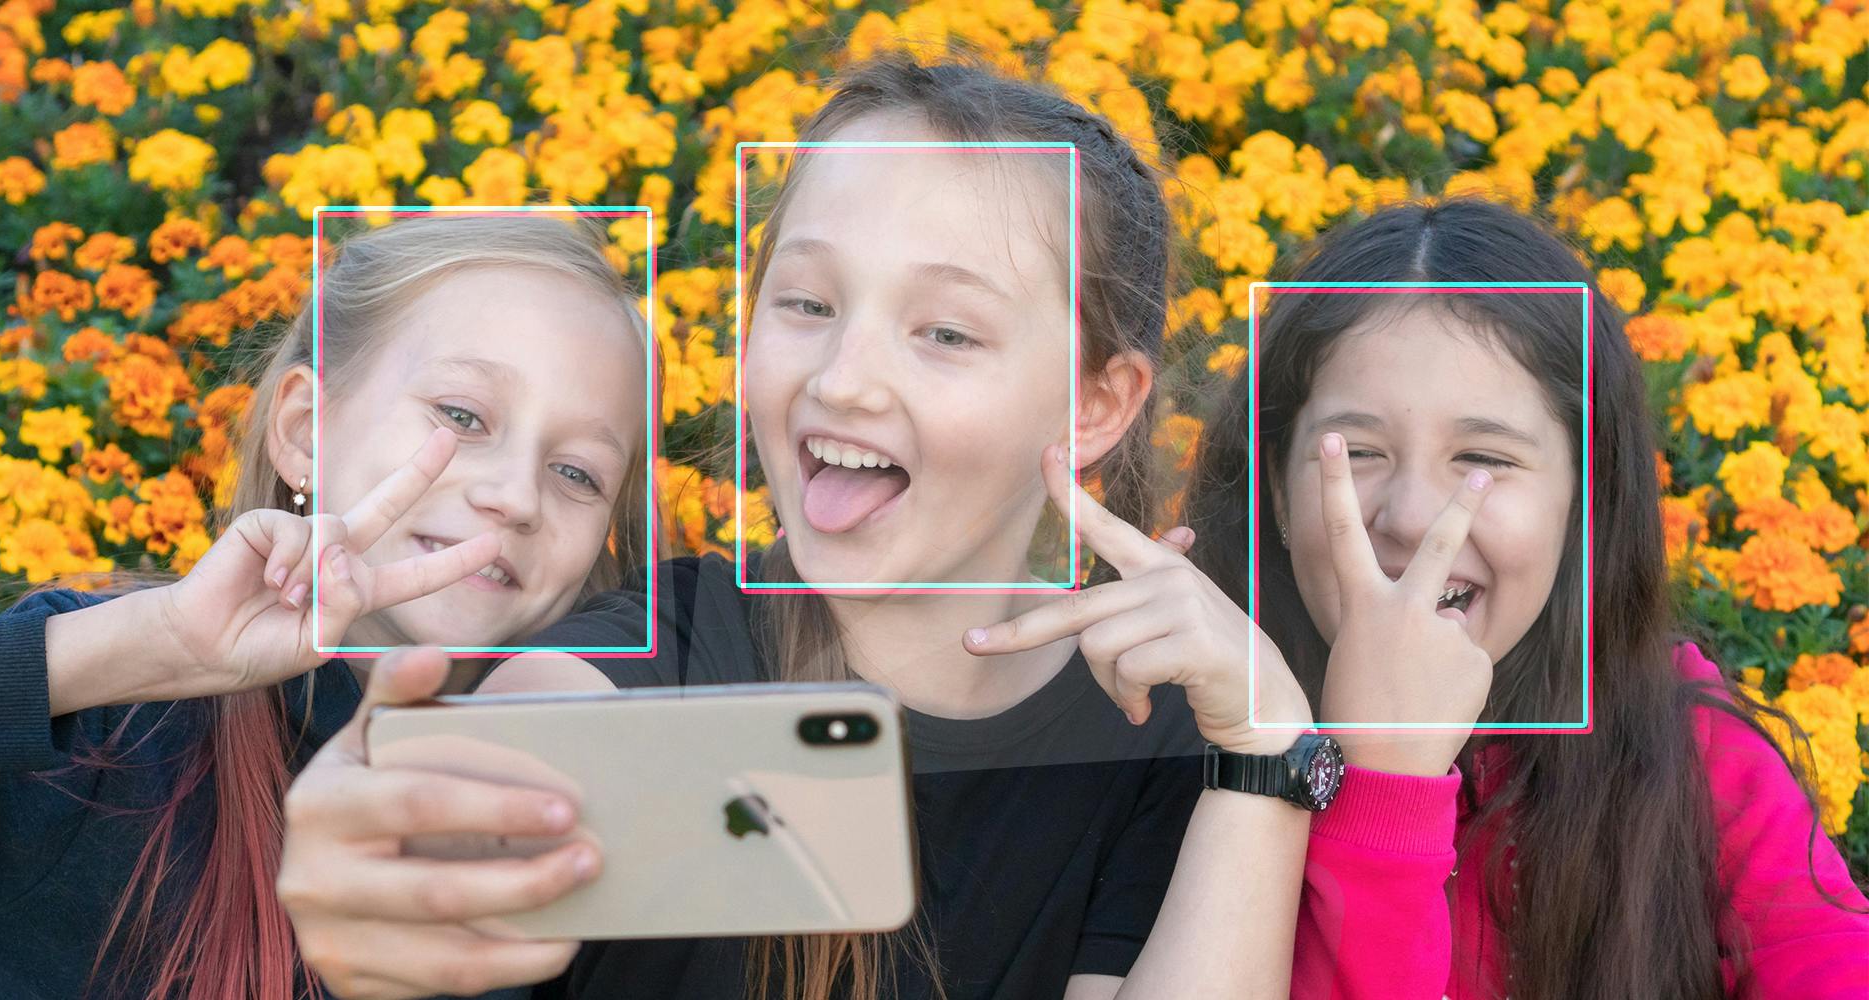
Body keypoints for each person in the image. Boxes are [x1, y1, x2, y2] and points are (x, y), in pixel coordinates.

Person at [278, 54, 1331, 1000]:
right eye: (808, 305)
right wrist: (401, 862)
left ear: (1093, 404)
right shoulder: (646, 663)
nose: (842, 380)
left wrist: (1267, 750)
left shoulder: (1147, 732)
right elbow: (500, 791)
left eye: (945, 331)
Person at [0, 212, 655, 1000]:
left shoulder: (569, 815)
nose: (516, 496)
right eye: (462, 416)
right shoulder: (102, 738)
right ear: (306, 432)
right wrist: (150, 645)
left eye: (578, 473)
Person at [1182, 197, 1869, 998]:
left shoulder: (1694, 754)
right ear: (1273, 493)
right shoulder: (1190, 750)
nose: (1410, 518)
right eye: (1355, 451)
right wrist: (1386, 789)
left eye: (1483, 457)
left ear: (1584, 499)